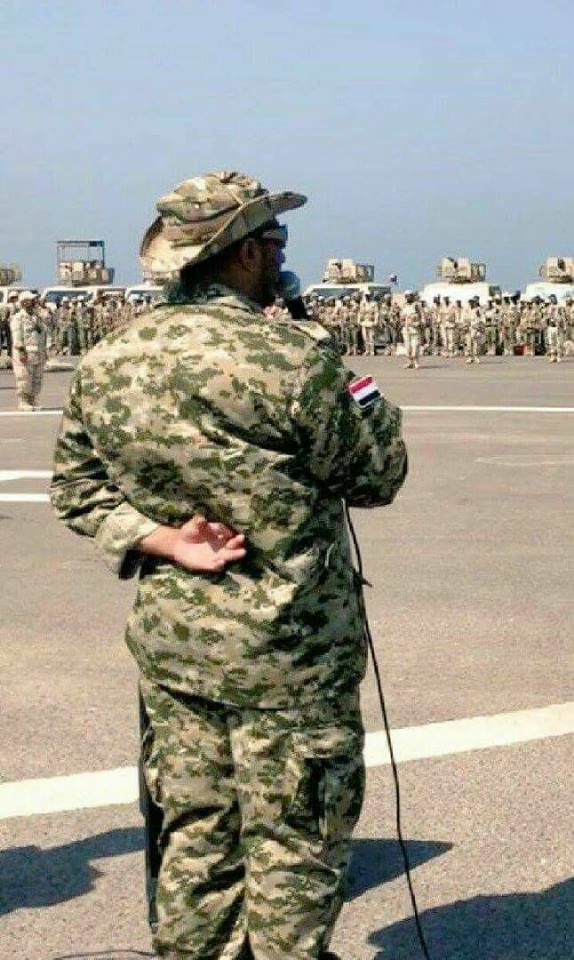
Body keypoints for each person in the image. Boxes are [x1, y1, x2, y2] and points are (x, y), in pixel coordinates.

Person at [49, 169, 407, 960]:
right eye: (275, 242)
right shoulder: (290, 358)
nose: (280, 256)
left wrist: (163, 539)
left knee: (196, 832)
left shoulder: (110, 358)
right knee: (296, 836)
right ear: (245, 253)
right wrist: (361, 387)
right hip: (290, 652)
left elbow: (77, 490)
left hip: (177, 649)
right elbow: (377, 476)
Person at [10, 291, 48, 410]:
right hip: (25, 353)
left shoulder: (36, 317)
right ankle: (23, 401)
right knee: (24, 377)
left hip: (38, 352)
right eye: (31, 300)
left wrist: (45, 351)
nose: (34, 302)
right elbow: (17, 335)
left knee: (36, 378)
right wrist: (21, 350)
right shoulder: (18, 318)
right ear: (24, 302)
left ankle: (32, 400)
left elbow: (44, 333)